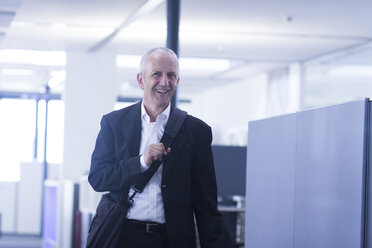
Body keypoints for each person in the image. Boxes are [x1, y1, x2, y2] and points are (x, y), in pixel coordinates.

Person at [88, 47, 223, 248]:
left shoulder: (197, 132)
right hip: (122, 236)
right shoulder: (114, 123)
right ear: (141, 80)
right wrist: (141, 162)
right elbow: (98, 178)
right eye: (156, 74)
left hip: (172, 239)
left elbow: (206, 203)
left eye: (171, 75)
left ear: (178, 80)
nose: (164, 82)